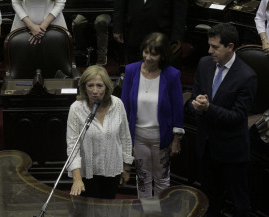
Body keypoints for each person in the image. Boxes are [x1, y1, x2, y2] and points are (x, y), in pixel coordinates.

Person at [188, 23, 257, 217]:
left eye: (215, 47)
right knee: (210, 200)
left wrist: (208, 108)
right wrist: (196, 107)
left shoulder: (247, 76)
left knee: (239, 204)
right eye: (209, 46)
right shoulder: (204, 64)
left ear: (230, 46)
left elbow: (237, 117)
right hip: (207, 147)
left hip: (232, 152)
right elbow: (194, 100)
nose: (210, 51)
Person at [121, 32, 184, 199]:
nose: (148, 57)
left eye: (154, 54)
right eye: (146, 52)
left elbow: (178, 109)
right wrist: (126, 140)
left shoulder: (172, 75)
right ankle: (148, 216)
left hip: (161, 138)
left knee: (162, 179)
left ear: (162, 55)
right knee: (142, 178)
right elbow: (124, 106)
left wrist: (176, 139)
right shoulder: (131, 70)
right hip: (138, 136)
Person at [66, 65, 134, 199]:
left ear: (107, 87)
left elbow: (125, 138)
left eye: (99, 86)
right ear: (84, 87)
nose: (95, 91)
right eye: (90, 85)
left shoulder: (117, 104)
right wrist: (77, 178)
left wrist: (126, 169)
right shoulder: (76, 109)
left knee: (109, 212)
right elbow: (72, 146)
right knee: (89, 213)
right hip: (87, 173)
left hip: (113, 170)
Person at [113, 0, 188, 63]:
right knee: (134, 70)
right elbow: (120, 3)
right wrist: (117, 27)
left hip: (162, 37)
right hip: (134, 33)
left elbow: (180, 13)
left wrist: (176, 40)